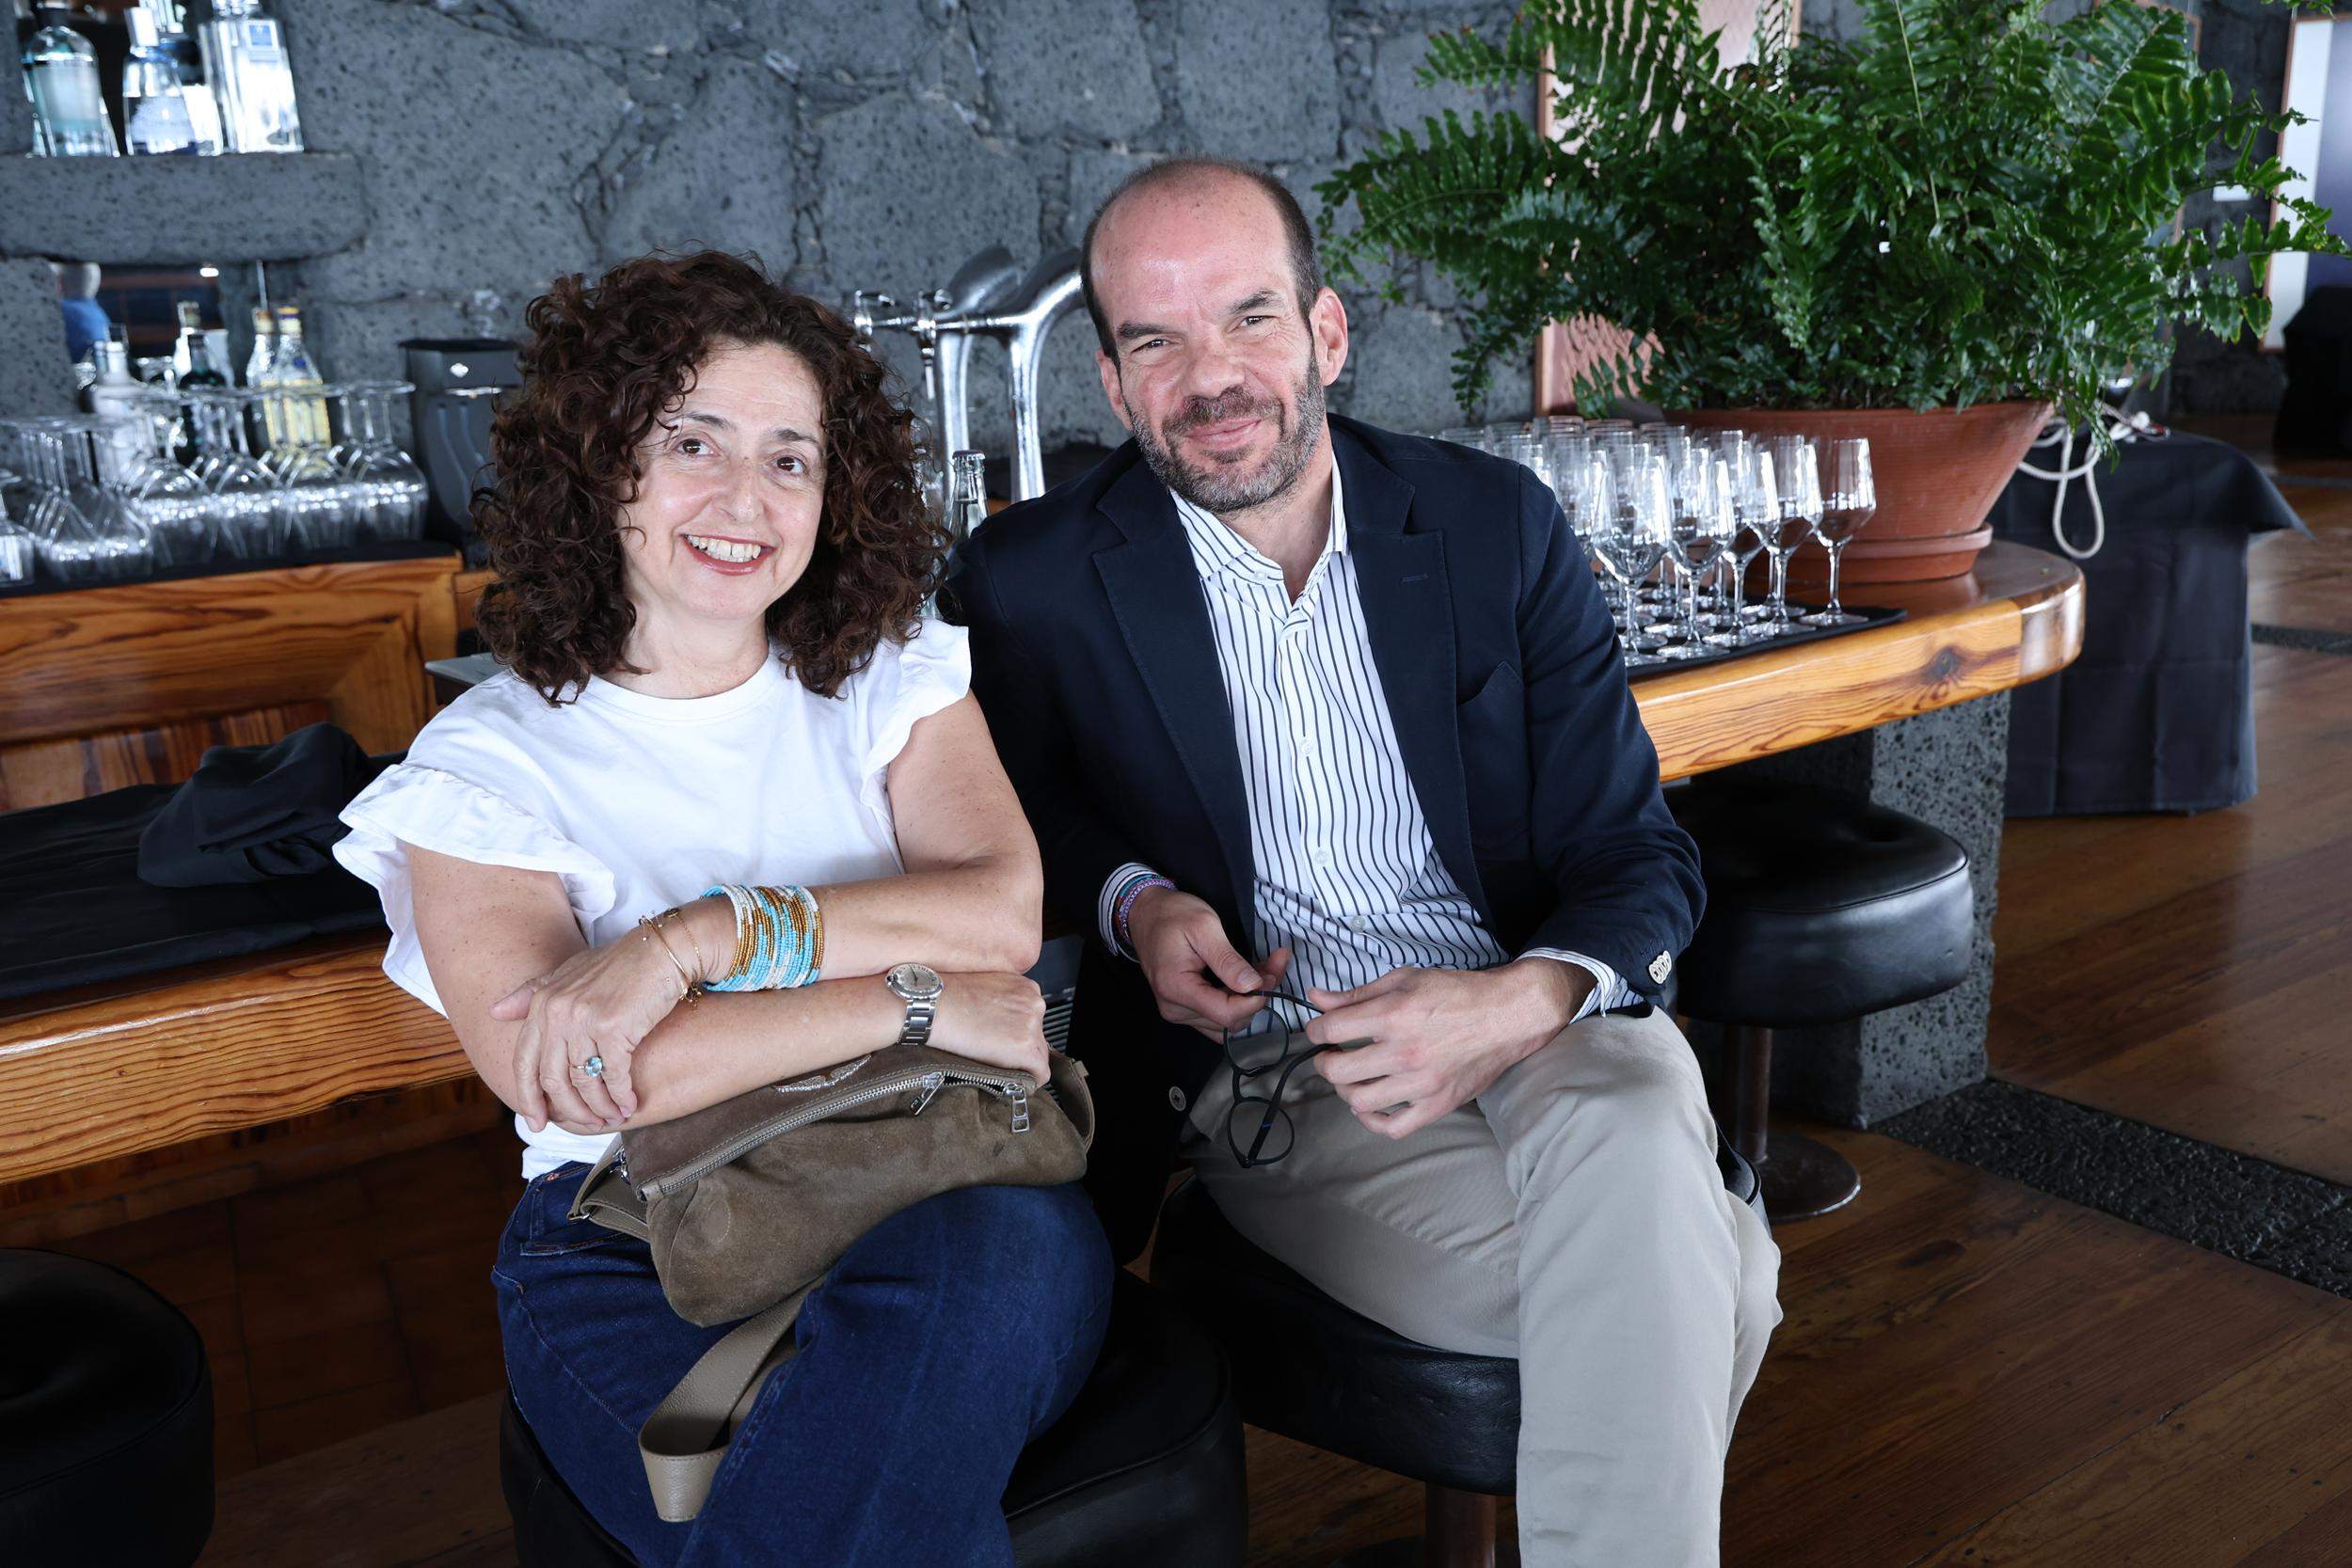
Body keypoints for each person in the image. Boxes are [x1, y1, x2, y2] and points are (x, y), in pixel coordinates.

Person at [948, 157, 1782, 1566]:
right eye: (1157, 340)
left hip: (1546, 1016)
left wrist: (1519, 998)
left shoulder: (1489, 526)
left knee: (1634, 1128)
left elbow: (1638, 853)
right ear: (1110, 380)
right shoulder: (1032, 579)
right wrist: (1135, 904)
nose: (1211, 377)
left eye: (1250, 318)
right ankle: (1719, 1231)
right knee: (1710, 1285)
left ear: (1328, 333)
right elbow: (1023, 824)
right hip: (1294, 1069)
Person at [334, 251, 1111, 1567]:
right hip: (627, 1232)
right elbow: (599, 1077)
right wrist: (918, 1002)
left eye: (791, 457)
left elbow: (996, 914)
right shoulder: (477, 775)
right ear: (602, 466)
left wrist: (694, 944)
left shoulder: (887, 681)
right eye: (693, 441)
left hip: (952, 1181)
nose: (745, 497)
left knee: (901, 1390)